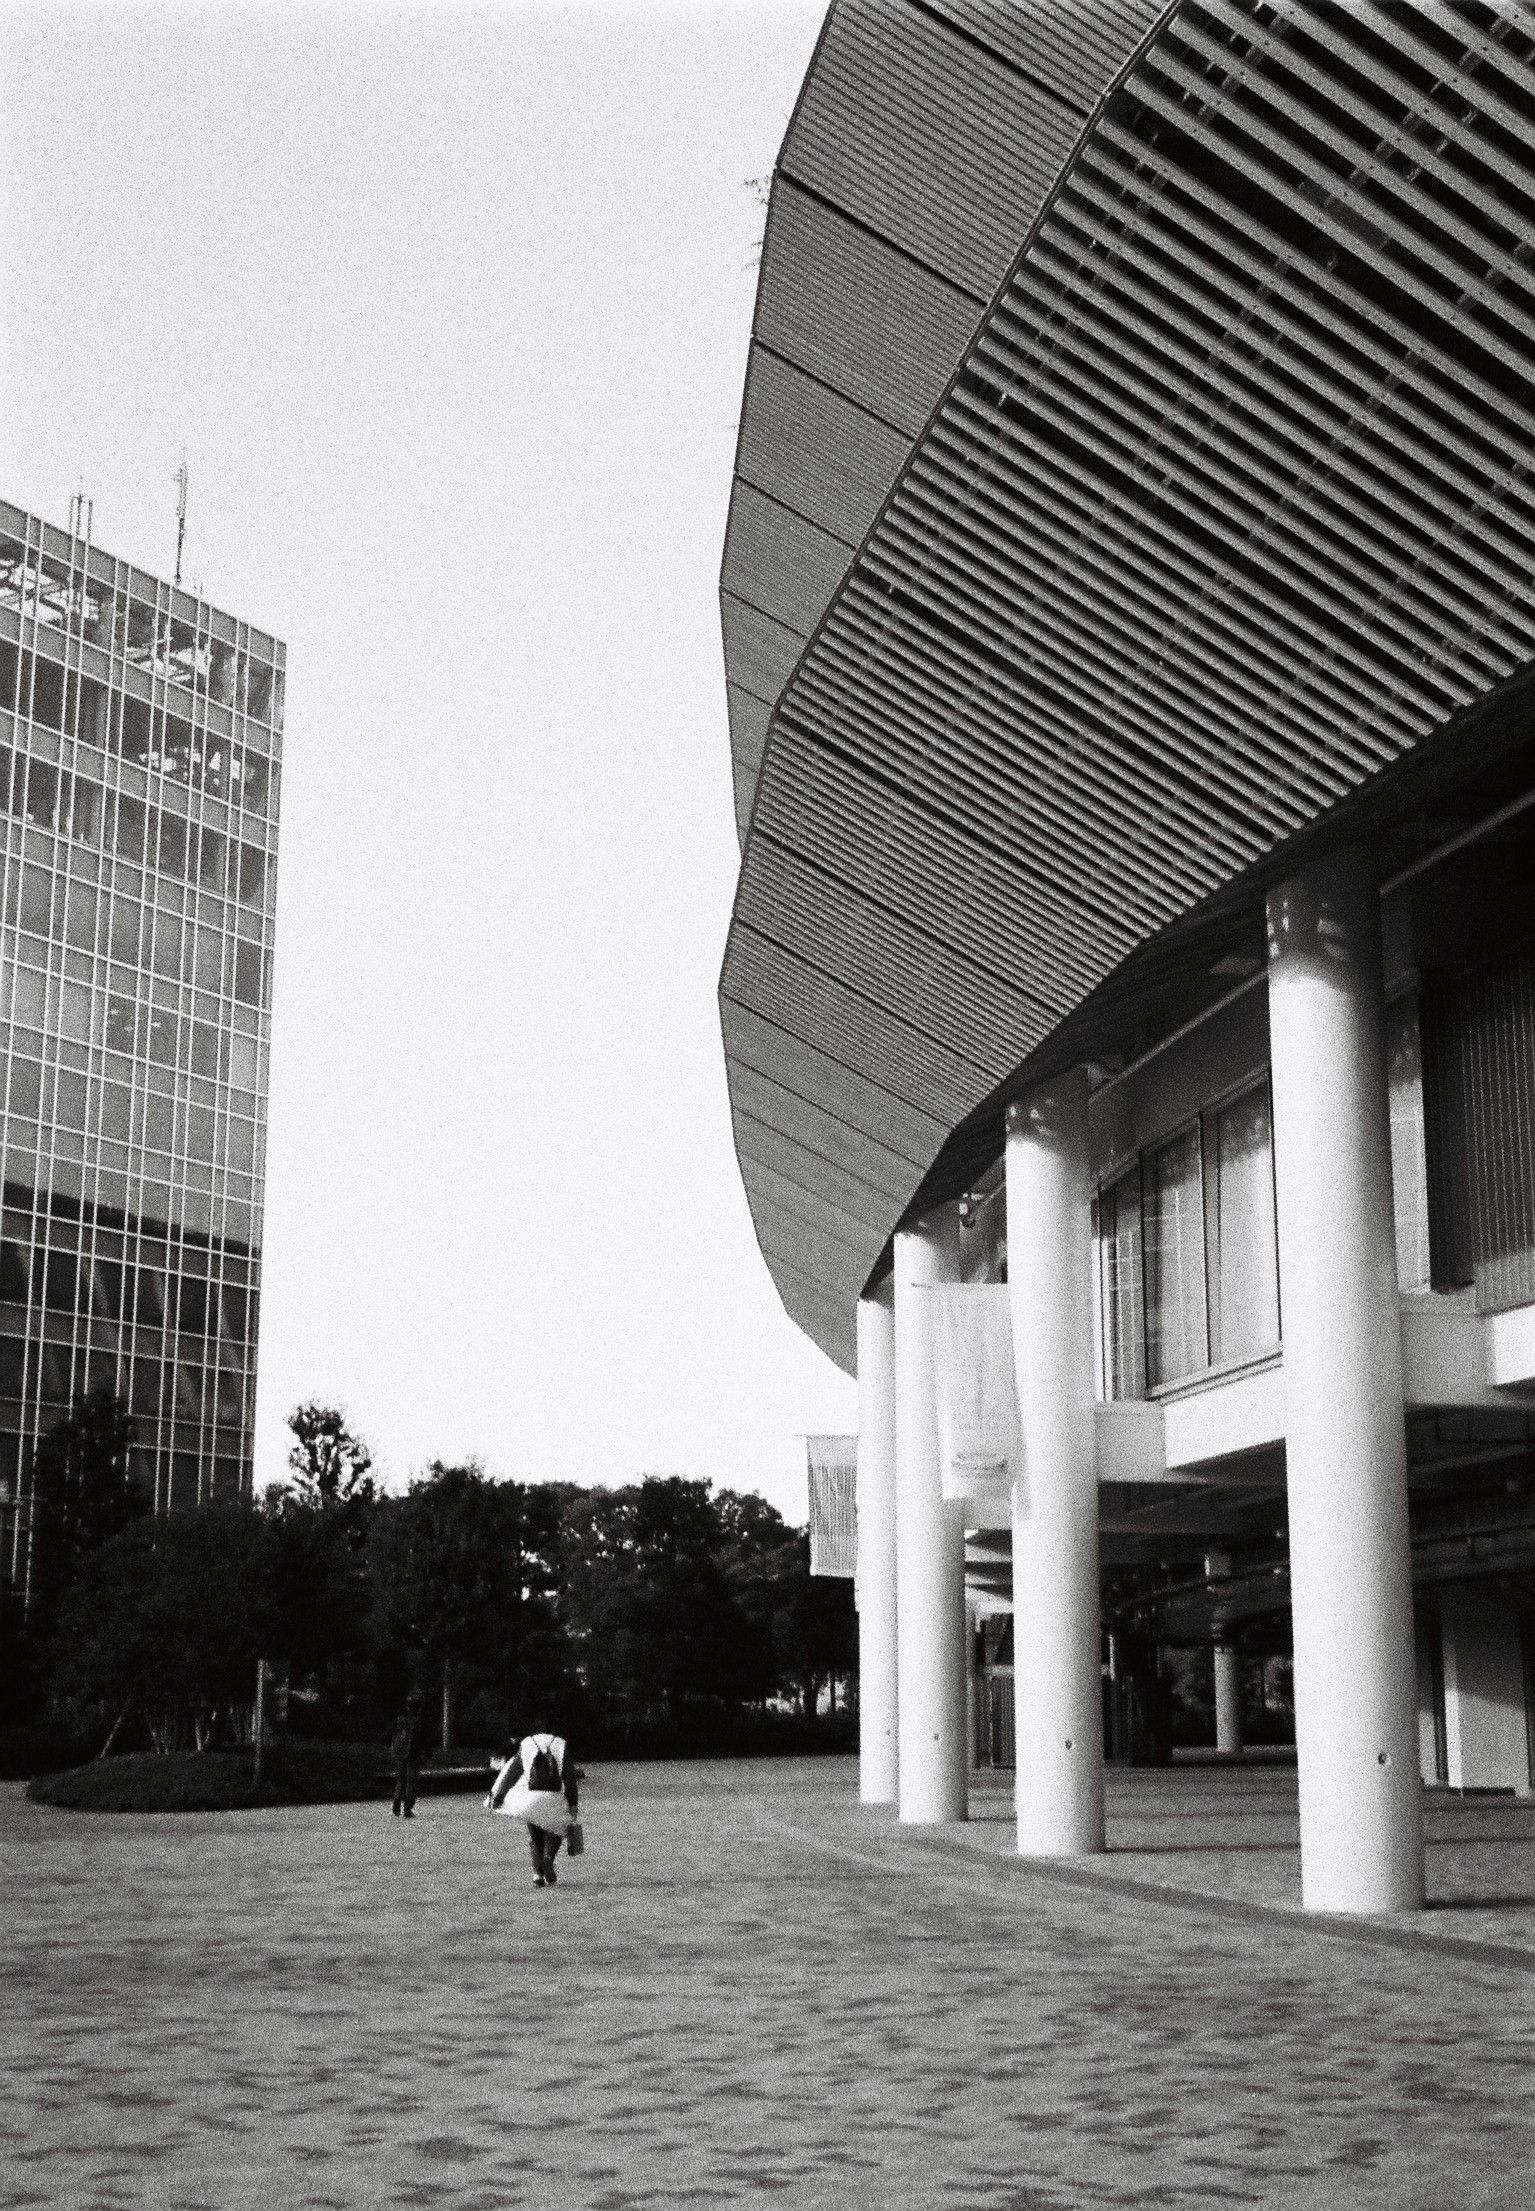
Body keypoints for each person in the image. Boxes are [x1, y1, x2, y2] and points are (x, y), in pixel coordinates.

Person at [486, 1727, 578, 1886]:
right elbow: (570, 1779)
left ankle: (537, 1875)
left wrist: (498, 1797)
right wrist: (573, 1803)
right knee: (556, 1830)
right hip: (553, 1796)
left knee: (535, 1836)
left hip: (531, 1797)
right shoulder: (560, 1744)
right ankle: (548, 1859)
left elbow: (511, 1774)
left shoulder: (527, 1744)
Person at [390, 1694, 422, 1819]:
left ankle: (397, 1799)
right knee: (411, 1782)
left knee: (400, 1780)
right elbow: (423, 1740)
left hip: (399, 1753)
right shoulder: (417, 1721)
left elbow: (391, 1734)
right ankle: (407, 1808)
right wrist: (428, 1755)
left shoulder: (400, 1719)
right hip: (413, 1754)